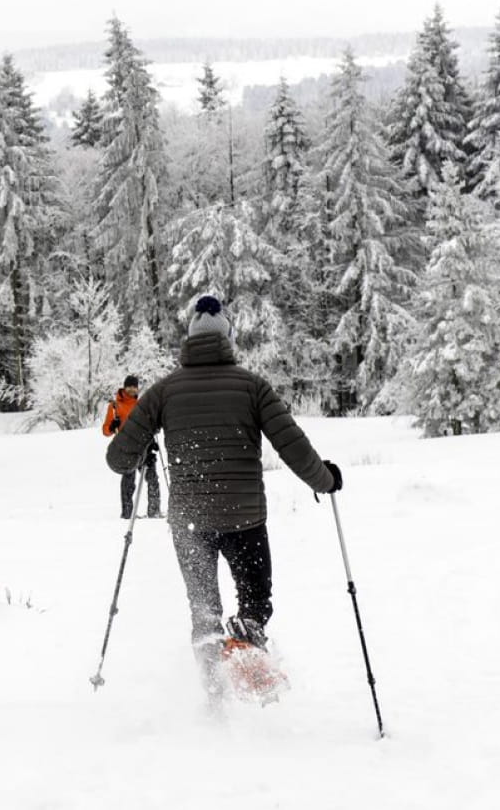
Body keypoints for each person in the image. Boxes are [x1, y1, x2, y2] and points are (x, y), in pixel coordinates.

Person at [104, 295, 342, 695]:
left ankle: (215, 696)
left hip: (190, 522)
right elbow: (292, 445)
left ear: (190, 340)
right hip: (243, 518)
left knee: (203, 611)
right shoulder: (252, 387)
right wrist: (325, 480)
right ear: (228, 338)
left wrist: (142, 445)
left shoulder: (163, 392)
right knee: (256, 599)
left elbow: (117, 458)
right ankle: (247, 641)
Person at [102, 375, 161, 519]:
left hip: (144, 447)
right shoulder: (115, 406)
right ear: (124, 387)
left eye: (135, 386)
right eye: (129, 386)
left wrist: (152, 441)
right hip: (126, 449)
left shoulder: (142, 404)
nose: (132, 389)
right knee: (128, 482)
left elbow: (149, 426)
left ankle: (154, 511)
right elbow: (105, 431)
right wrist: (112, 426)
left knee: (152, 478)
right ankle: (127, 514)